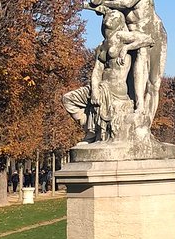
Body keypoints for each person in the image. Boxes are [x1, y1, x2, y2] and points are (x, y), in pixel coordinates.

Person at [88, 0, 167, 124]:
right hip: (131, 35)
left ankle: (146, 123)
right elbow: (94, 0)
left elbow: (128, 3)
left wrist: (104, 5)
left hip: (153, 32)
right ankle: (138, 111)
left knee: (153, 84)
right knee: (131, 83)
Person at [64, 8, 153, 142]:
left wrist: (126, 48)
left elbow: (148, 39)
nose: (108, 17)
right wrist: (94, 90)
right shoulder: (101, 46)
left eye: (112, 15)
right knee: (68, 99)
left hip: (115, 89)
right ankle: (89, 128)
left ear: (118, 21)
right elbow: (96, 71)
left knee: (71, 99)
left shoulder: (121, 36)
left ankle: (92, 131)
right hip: (100, 86)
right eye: (108, 15)